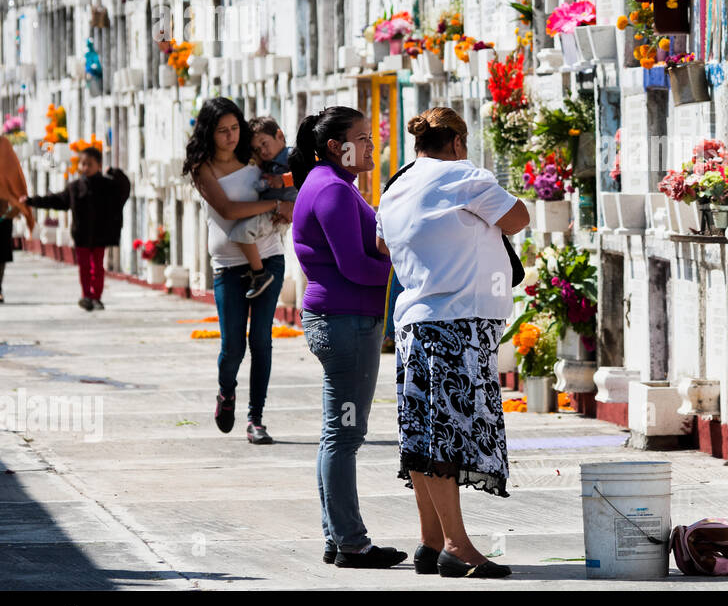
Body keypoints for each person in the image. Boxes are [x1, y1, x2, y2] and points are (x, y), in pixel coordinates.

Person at [377, 107, 529, 577]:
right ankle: (456, 546)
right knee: (447, 435)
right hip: (457, 325)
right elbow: (518, 217)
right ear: (458, 143)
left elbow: (384, 245)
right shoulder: (464, 177)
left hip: (414, 323)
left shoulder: (396, 185)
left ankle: (428, 541)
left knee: (423, 431)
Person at [290, 106, 406, 570]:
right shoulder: (333, 191)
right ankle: (353, 543)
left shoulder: (328, 185)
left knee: (335, 434)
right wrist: (398, 267)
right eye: (363, 138)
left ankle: (337, 536)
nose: (372, 145)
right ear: (338, 147)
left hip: (340, 321)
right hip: (346, 324)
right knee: (345, 434)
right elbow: (355, 267)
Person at [183, 98, 288, 445]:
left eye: (234, 129)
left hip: (269, 255)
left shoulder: (253, 156)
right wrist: (275, 204)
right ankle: (226, 392)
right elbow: (227, 209)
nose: (230, 137)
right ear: (208, 134)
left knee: (261, 341)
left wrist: (287, 203)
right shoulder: (203, 168)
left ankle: (256, 418)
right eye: (222, 131)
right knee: (232, 348)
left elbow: (283, 176)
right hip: (228, 267)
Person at [23, 146, 130, 311]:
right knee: (84, 267)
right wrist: (31, 201)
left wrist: (115, 172)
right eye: (83, 164)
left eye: (90, 164)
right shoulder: (75, 187)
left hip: (100, 234)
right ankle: (86, 295)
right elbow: (56, 200)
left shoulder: (108, 186)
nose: (85, 168)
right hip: (81, 234)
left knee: (97, 267)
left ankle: (96, 297)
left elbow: (124, 188)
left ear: (99, 165)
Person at [226, 116, 298, 300]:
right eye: (258, 149)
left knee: (241, 233)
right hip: (273, 212)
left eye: (264, 143)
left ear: (280, 135)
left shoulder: (292, 156)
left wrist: (283, 180)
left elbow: (309, 172)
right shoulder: (266, 163)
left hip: (279, 211)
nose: (263, 151)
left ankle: (259, 274)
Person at [0, 134, 36, 305]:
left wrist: (16, 203)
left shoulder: (4, 145)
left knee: (1, 254)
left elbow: (14, 176)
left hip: (3, 210)